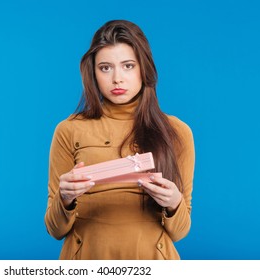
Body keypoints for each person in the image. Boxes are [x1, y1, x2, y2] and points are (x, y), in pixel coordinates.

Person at [44, 19, 195, 260]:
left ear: (144, 69)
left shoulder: (176, 131)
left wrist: (174, 201)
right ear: (92, 72)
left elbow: (179, 231)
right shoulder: (69, 129)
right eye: (105, 67)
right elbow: (55, 229)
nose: (117, 78)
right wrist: (65, 198)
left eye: (128, 66)